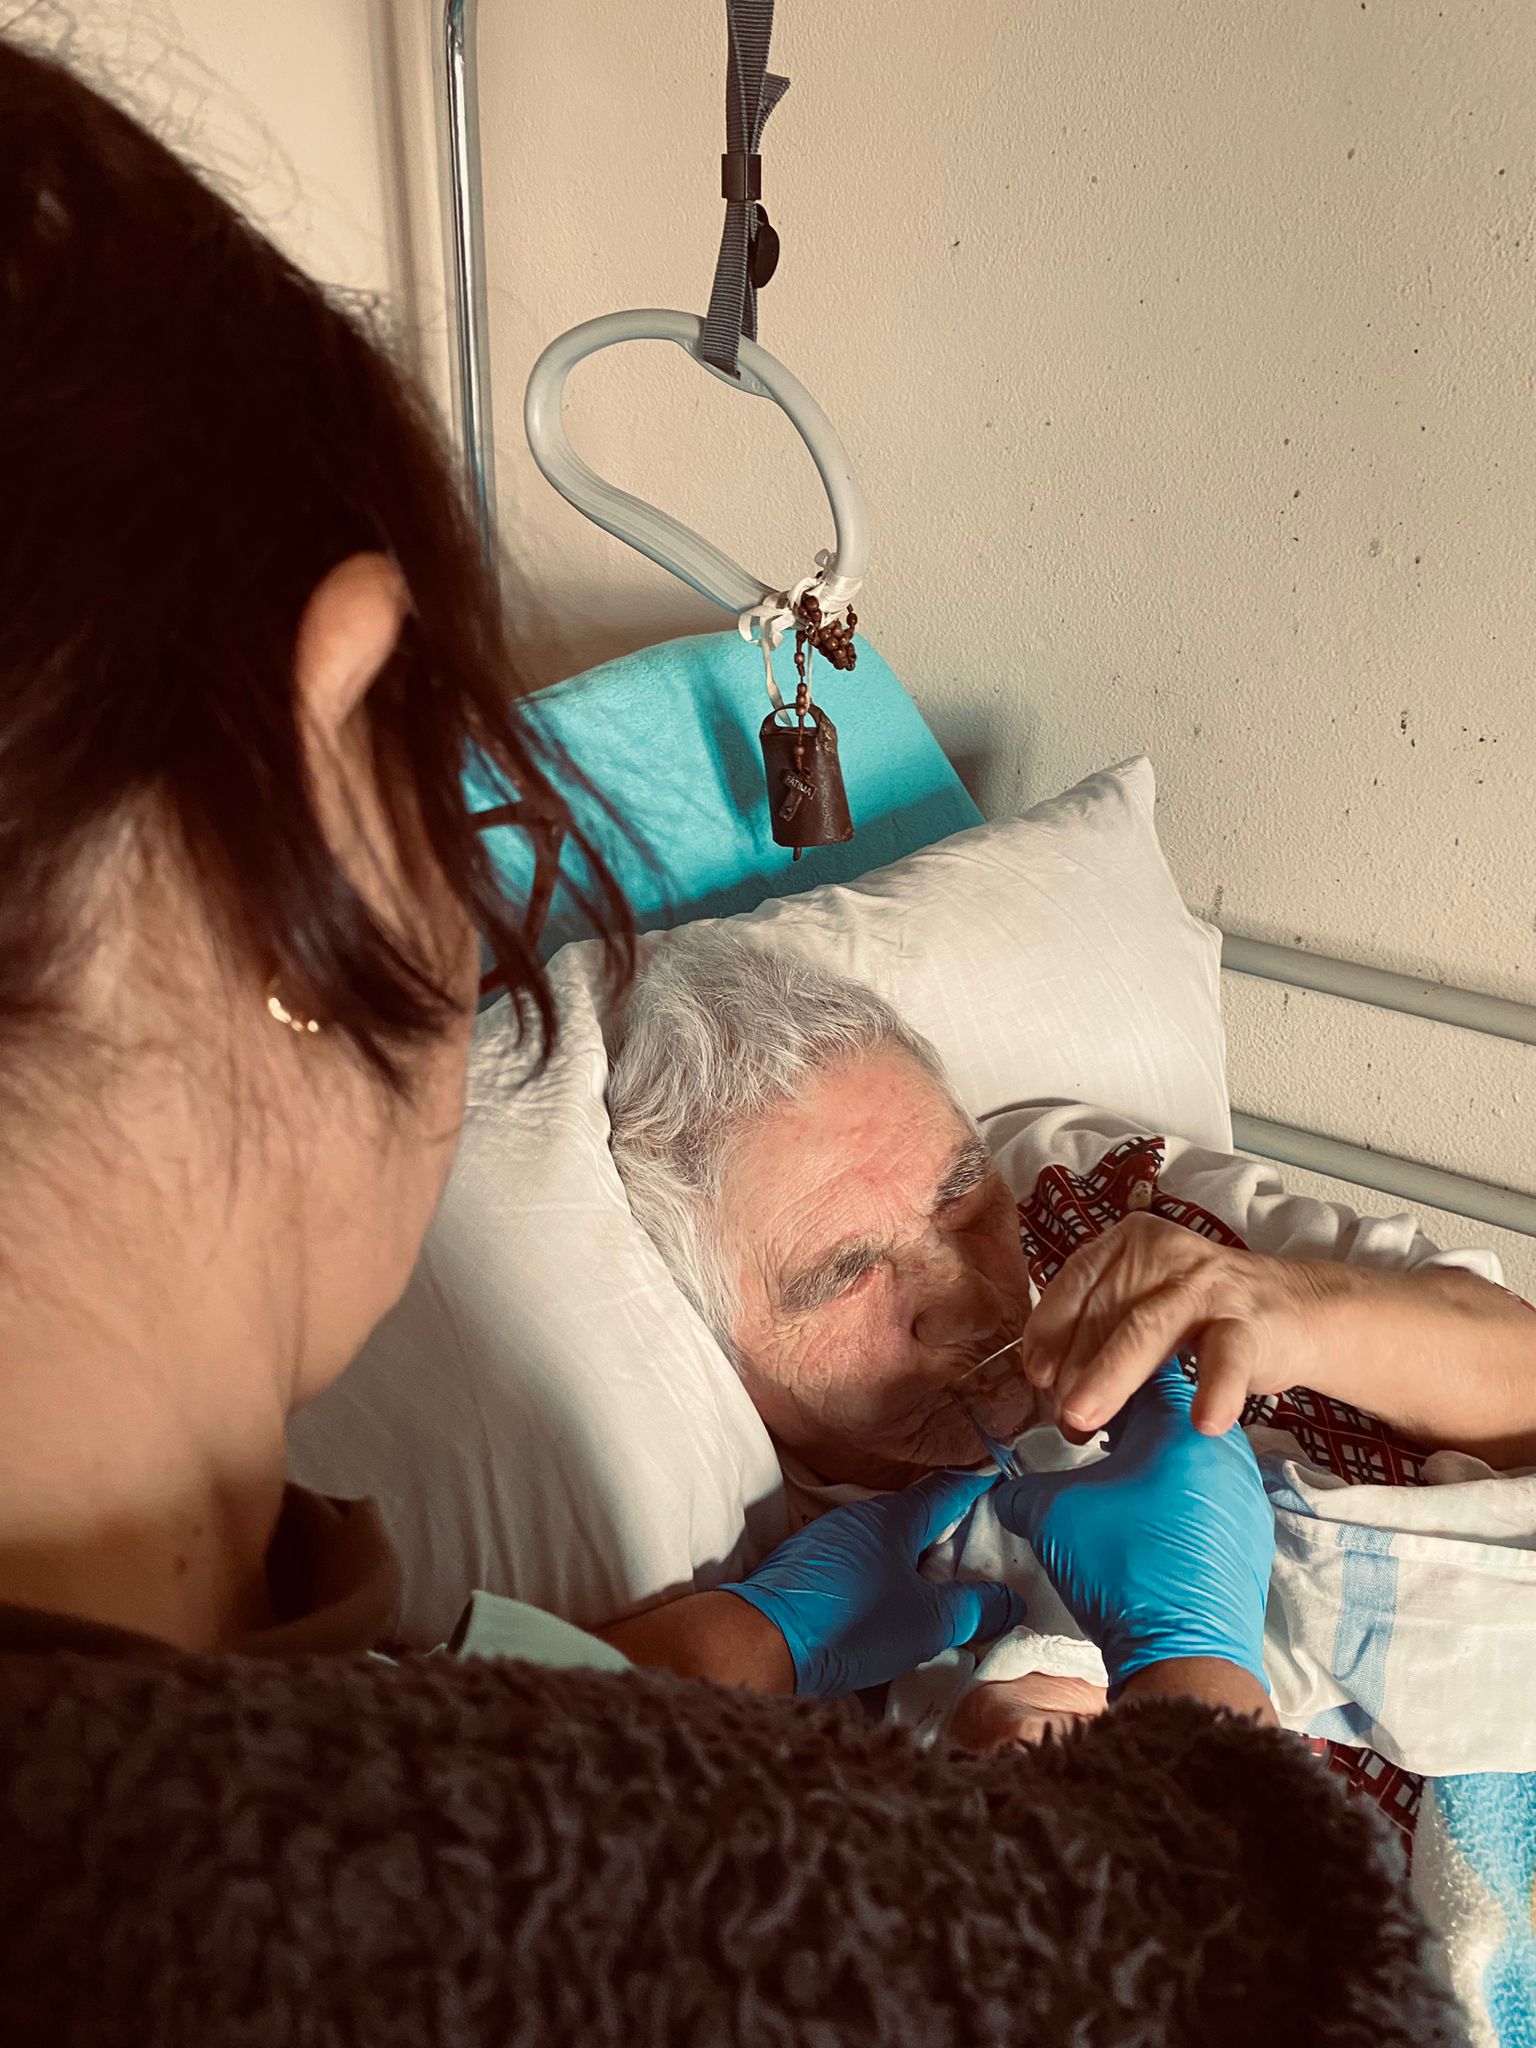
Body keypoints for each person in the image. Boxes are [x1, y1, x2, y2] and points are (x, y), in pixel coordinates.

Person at [0, 36, 1477, 2046]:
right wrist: (1185, 1678)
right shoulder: (563, 1859)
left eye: (951, 1194)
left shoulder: (339, 1737)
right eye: (444, 788)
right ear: (324, 767)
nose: (957, 1288)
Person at [608, 929, 1536, 1762]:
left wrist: (1295, 1307)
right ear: (718, 1344)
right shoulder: (756, 1552)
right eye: (850, 1274)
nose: (973, 1298)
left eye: (962, 1201)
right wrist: (756, 1642)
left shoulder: (1098, 1199)